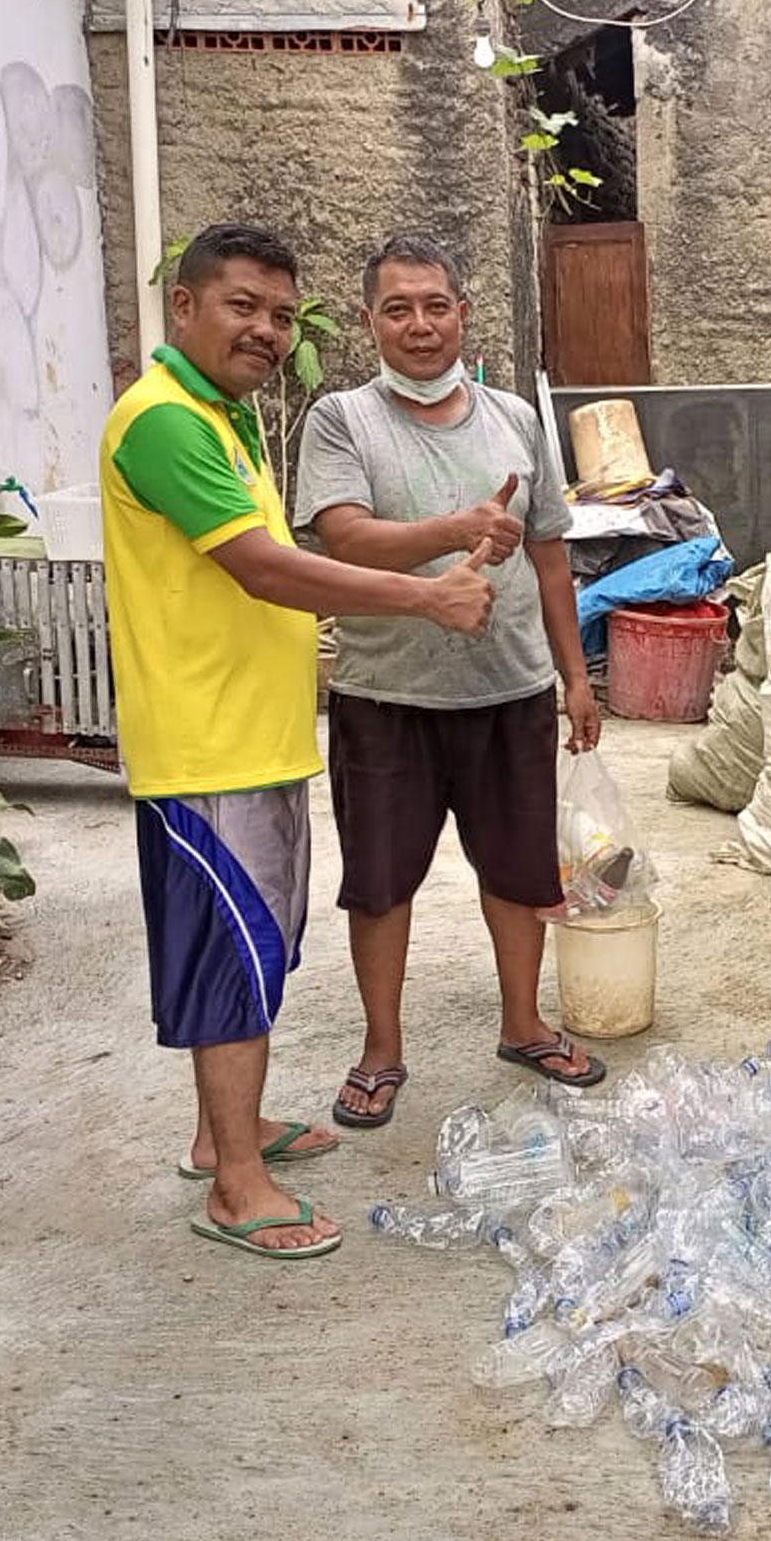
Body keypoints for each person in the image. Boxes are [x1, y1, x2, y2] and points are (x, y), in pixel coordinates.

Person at [100, 223, 501, 1261]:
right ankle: (238, 1184)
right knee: (228, 961)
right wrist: (424, 598)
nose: (268, 331)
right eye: (243, 306)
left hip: (253, 741)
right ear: (182, 306)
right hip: (208, 751)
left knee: (255, 952)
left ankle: (223, 1131)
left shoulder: (218, 420)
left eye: (282, 315)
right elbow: (267, 569)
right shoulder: (164, 424)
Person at [295, 233, 605, 1132]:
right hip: (387, 697)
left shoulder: (514, 418)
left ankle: (523, 1023)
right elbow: (342, 536)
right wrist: (455, 527)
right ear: (369, 322)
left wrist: (574, 678)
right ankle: (381, 1050)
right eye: (398, 308)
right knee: (381, 881)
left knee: (517, 872)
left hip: (510, 692)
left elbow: (551, 559)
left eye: (436, 305)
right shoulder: (342, 420)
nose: (420, 326)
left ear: (464, 313)